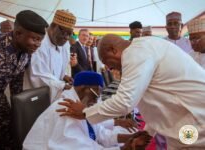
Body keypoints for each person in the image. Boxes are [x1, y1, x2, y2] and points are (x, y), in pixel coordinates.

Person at [58, 34, 205, 149]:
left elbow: (125, 102)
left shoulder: (134, 53)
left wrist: (85, 113)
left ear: (112, 50)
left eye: (107, 61)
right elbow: (157, 101)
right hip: (189, 120)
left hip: (195, 121)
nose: (109, 68)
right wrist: (147, 133)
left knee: (187, 146)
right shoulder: (144, 47)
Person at [23, 71, 151, 150]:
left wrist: (127, 138)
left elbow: (98, 134)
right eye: (96, 95)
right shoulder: (66, 108)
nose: (96, 101)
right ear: (84, 88)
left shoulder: (81, 106)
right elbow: (78, 147)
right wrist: (123, 149)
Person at [0, 10, 48, 149]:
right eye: (35, 39)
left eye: (40, 40)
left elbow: (16, 85)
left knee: (10, 140)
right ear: (18, 33)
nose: (38, 44)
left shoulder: (26, 52)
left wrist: (18, 113)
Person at [23, 10, 76, 102]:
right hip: (34, 98)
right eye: (64, 33)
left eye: (69, 34)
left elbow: (59, 67)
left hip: (55, 94)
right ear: (53, 26)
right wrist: (63, 86)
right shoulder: (39, 43)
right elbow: (38, 75)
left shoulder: (65, 44)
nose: (66, 37)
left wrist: (64, 76)